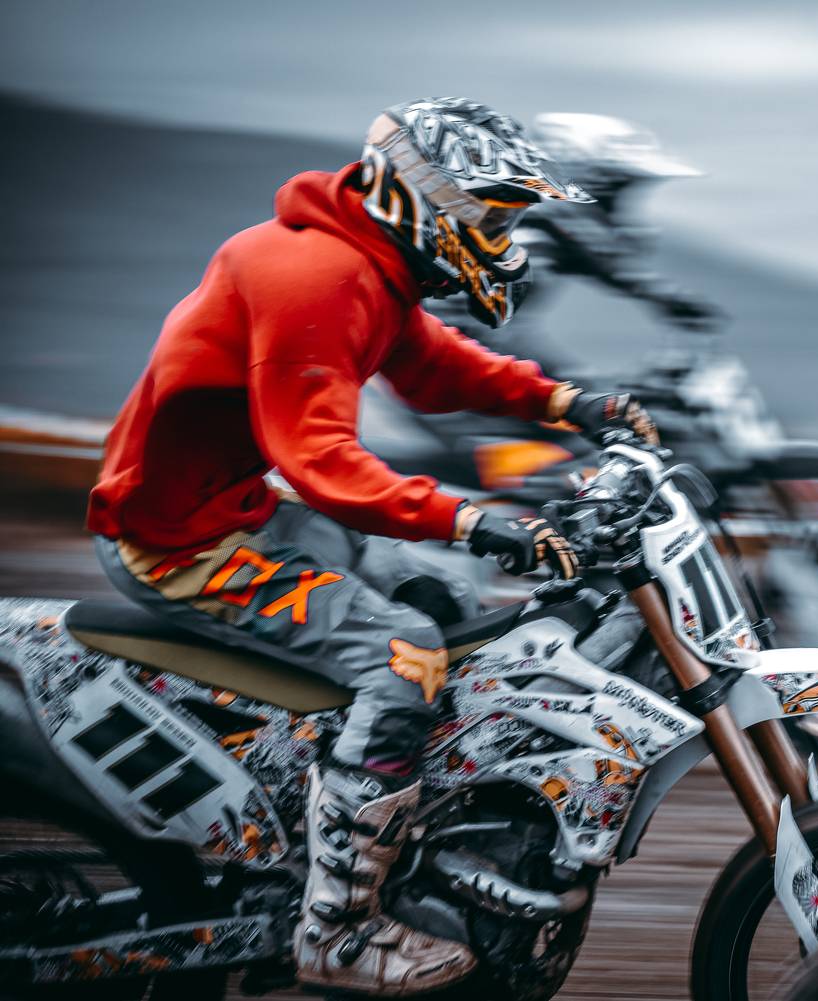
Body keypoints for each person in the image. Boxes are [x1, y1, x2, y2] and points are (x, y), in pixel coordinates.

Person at [86, 97, 658, 996]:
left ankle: (383, 807)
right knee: (404, 654)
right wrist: (473, 520)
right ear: (422, 199)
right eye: (492, 217)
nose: (505, 239)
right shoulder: (314, 275)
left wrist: (565, 402)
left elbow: (432, 365)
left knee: (448, 604)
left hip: (237, 512)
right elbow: (320, 461)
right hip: (179, 542)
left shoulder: (366, 261)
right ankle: (339, 925)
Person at [425, 112, 721, 374]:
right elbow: (484, 331)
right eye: (617, 192)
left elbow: (605, 263)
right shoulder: (523, 238)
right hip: (432, 372)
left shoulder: (542, 225)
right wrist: (576, 382)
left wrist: (666, 298)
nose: (619, 210)